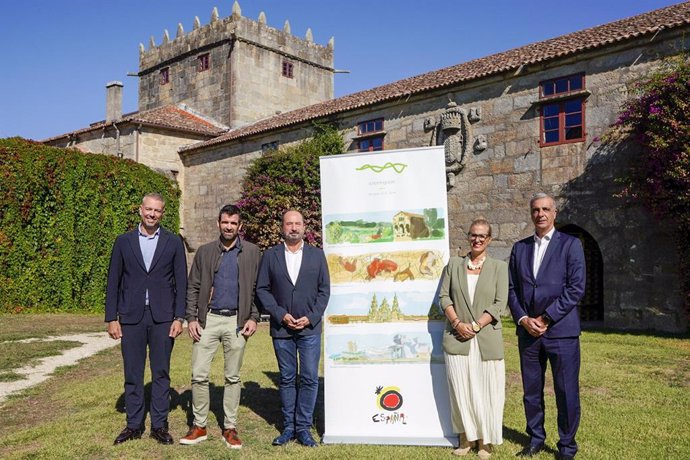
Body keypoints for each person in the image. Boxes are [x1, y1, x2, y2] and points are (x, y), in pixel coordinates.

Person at [508, 192, 586, 460]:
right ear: (531, 214)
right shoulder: (520, 248)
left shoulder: (571, 245)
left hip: (561, 332)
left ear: (555, 213)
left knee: (566, 391)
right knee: (531, 391)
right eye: (535, 210)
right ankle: (536, 438)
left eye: (545, 209)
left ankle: (566, 446)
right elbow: (512, 289)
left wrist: (546, 317)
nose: (540, 214)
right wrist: (522, 318)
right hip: (528, 333)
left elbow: (576, 288)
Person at [105, 193, 187, 445]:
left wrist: (179, 317)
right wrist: (111, 318)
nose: (152, 214)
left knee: (161, 372)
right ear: (140, 210)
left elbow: (181, 282)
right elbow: (113, 281)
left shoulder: (173, 242)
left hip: (163, 318)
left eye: (157, 211)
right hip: (131, 317)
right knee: (133, 372)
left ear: (163, 213)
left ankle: (159, 426)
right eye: (148, 209)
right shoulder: (123, 242)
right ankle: (134, 425)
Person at [179, 204, 262, 449]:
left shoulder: (252, 252)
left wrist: (253, 317)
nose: (229, 226)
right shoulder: (204, 252)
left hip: (237, 321)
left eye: (233, 223)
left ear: (240, 226)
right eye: (225, 222)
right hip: (208, 320)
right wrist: (191, 318)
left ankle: (230, 427)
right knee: (199, 374)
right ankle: (200, 425)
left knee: (233, 376)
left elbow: (258, 289)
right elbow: (193, 286)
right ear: (219, 223)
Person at [255, 210, 330, 447]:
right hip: (282, 328)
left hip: (309, 329)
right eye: (289, 223)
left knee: (309, 377)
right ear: (282, 227)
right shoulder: (271, 255)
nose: (293, 228)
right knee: (287, 378)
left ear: (304, 227)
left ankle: (304, 428)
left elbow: (324, 290)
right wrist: (280, 314)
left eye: (298, 223)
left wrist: (311, 317)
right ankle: (288, 427)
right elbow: (262, 289)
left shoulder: (317, 256)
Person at [439, 218, 508, 459]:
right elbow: (444, 298)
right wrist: (458, 323)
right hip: (457, 338)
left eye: (482, 236)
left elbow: (500, 303)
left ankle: (485, 441)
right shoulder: (454, 265)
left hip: (486, 340)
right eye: (473, 235)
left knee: (489, 390)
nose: (477, 239)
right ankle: (465, 437)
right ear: (468, 237)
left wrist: (477, 325)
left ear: (489, 239)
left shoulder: (499, 267)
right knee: (461, 389)